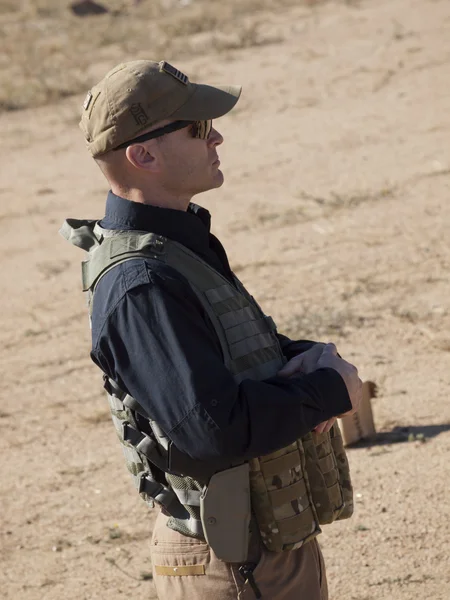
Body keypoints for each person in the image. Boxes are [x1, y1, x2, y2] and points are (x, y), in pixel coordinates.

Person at [62, 60, 362, 600]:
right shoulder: (141, 282)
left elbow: (224, 355)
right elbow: (211, 430)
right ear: (143, 155)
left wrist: (304, 357)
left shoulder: (176, 247)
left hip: (259, 542)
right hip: (232, 561)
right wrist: (327, 391)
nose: (217, 136)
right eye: (198, 128)